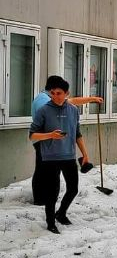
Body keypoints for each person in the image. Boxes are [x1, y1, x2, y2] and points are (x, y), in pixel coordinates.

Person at [29, 77, 90, 234]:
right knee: (52, 192)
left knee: (73, 189)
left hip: (69, 156)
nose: (56, 96)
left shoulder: (73, 110)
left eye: (59, 93)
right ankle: (50, 223)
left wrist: (85, 154)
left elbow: (77, 134)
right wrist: (50, 135)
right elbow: (32, 135)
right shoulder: (44, 110)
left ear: (66, 94)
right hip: (50, 158)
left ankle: (61, 213)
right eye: (53, 93)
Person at [30, 76, 102, 206]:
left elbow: (71, 101)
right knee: (44, 170)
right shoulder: (44, 101)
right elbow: (48, 119)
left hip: (50, 139)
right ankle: (41, 199)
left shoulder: (47, 97)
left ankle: (44, 198)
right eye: (56, 92)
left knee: (43, 169)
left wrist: (92, 99)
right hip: (45, 140)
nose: (58, 96)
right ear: (52, 89)